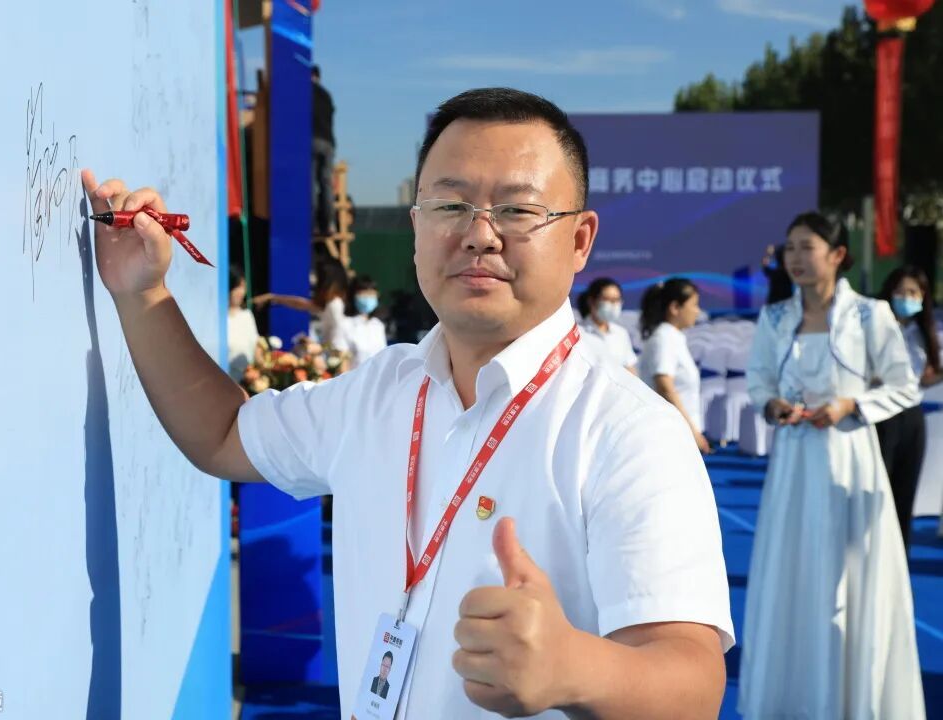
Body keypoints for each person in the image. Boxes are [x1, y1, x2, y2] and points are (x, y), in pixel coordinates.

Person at [80, 86, 733, 719]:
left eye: (517, 209)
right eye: (450, 205)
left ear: (580, 239)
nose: (480, 235)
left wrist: (575, 670)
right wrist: (143, 293)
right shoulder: (379, 389)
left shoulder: (627, 430)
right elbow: (223, 434)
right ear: (417, 225)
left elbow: (694, 686)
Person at [740, 212, 924, 718]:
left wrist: (851, 406)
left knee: (849, 578)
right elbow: (758, 381)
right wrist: (772, 405)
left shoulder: (870, 314)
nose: (795, 258)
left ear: (838, 255)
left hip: (850, 460)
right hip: (793, 465)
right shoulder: (775, 317)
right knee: (792, 572)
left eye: (807, 247)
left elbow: (903, 385)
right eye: (790, 248)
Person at [877, 265, 942, 554]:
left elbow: (925, 376)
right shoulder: (876, 327)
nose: (906, 298)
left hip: (912, 417)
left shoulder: (924, 332)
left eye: (913, 293)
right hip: (881, 415)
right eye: (901, 292)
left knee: (905, 492)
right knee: (879, 492)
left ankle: (899, 558)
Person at [637, 278, 709, 453]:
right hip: (670, 434)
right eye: (694, 305)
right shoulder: (664, 338)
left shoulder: (673, 337)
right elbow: (665, 387)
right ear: (675, 308)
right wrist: (692, 432)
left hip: (677, 433)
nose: (698, 311)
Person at [253, 258, 350, 350]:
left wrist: (319, 347)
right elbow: (299, 304)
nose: (316, 281)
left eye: (319, 277)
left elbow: (340, 339)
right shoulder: (329, 303)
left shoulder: (335, 304)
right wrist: (272, 297)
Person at [576, 277, 637, 374]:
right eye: (607, 299)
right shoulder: (578, 332)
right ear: (591, 301)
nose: (613, 304)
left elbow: (630, 367)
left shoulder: (621, 333)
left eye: (617, 299)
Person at [312, 65, 336, 238]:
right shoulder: (326, 95)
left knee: (311, 184)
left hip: (311, 140)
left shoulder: (304, 93)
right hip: (328, 142)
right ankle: (329, 224)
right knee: (326, 183)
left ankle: (313, 225)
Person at [344, 274, 387, 368]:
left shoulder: (378, 325)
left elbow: (383, 356)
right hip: (355, 376)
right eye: (363, 294)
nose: (368, 298)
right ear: (353, 295)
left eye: (371, 294)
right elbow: (343, 361)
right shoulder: (345, 324)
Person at [226, 265, 260, 379]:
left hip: (247, 381)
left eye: (244, 287)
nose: (242, 292)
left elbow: (256, 348)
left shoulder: (247, 316)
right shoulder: (215, 319)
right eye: (238, 287)